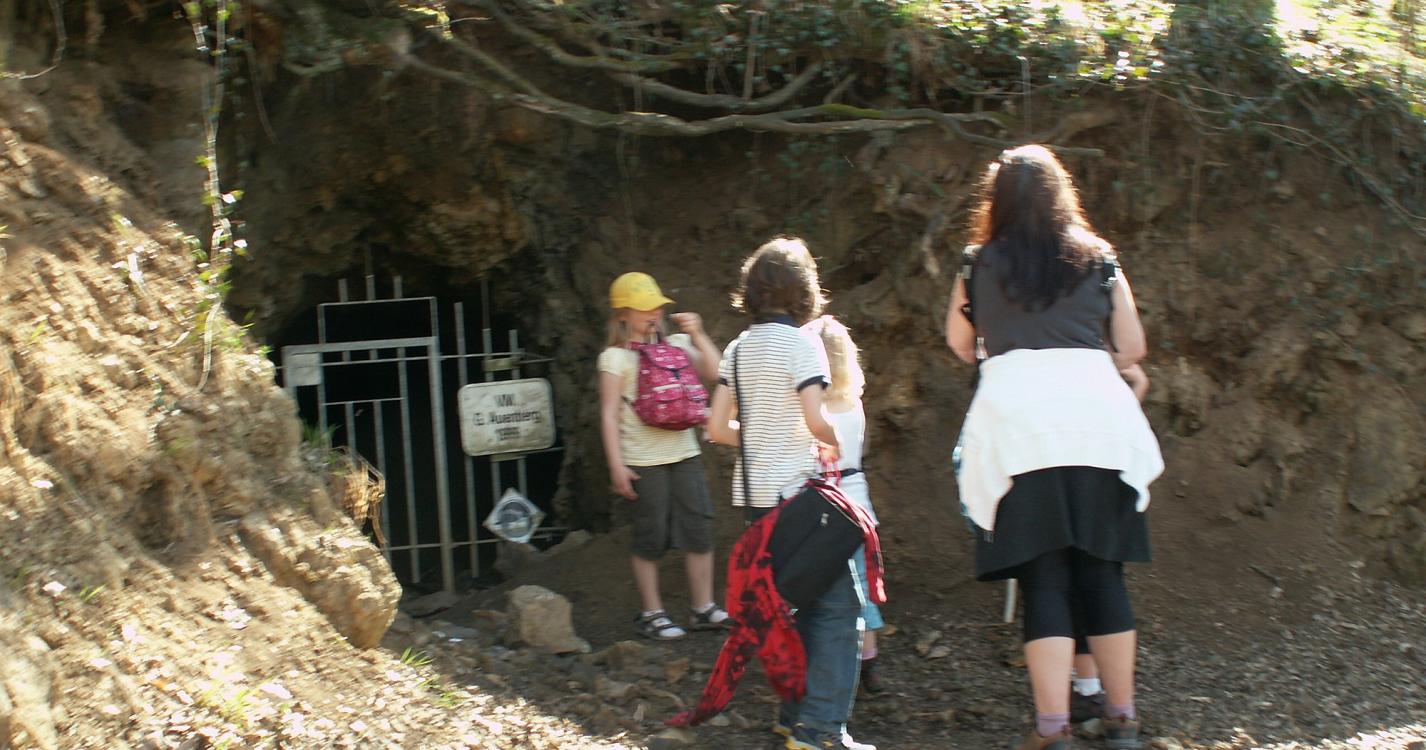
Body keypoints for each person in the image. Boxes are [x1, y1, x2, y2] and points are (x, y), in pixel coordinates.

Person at [946, 145, 1164, 750]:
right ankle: (1122, 720)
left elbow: (960, 343)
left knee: (1044, 580)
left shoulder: (977, 263)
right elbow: (1132, 346)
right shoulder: (1099, 258)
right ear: (1060, 194)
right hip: (1099, 426)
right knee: (1103, 574)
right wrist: (1089, 359)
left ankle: (1053, 730)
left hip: (1017, 430)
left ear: (997, 200)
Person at [706, 237, 874, 750]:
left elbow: (716, 428)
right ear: (805, 292)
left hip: (756, 504)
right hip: (800, 500)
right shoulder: (803, 345)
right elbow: (815, 420)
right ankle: (819, 731)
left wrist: (762, 436)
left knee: (792, 607)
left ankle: (793, 717)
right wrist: (836, 441)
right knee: (840, 610)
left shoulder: (737, 348)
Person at [598, 271, 731, 640]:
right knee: (651, 534)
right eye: (643, 308)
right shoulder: (613, 358)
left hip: (684, 452)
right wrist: (616, 465)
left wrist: (698, 334)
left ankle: (703, 608)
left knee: (699, 526)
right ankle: (652, 613)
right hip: (642, 459)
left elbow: (717, 372)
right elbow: (608, 414)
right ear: (622, 315)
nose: (653, 313)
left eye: (655, 306)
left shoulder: (677, 344)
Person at [805, 315, 887, 695]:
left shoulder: (810, 409)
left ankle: (828, 666)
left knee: (825, 590)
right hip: (859, 505)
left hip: (823, 507)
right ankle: (869, 665)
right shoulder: (854, 404)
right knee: (861, 588)